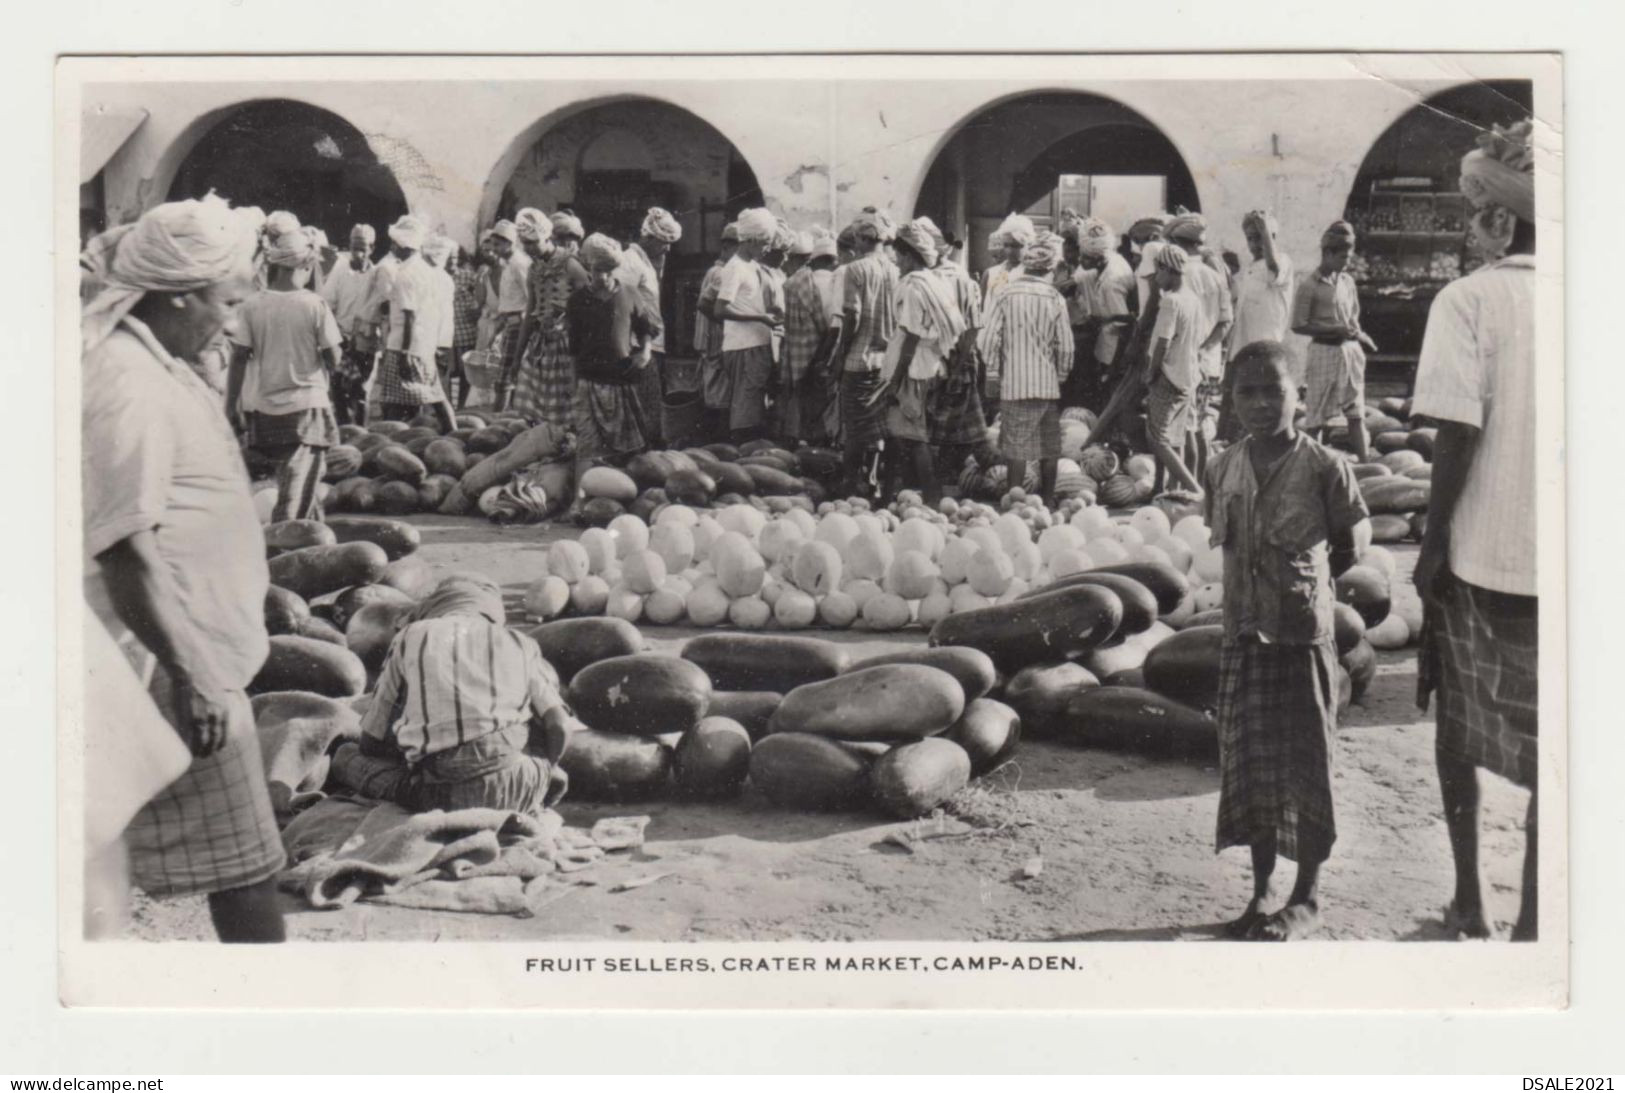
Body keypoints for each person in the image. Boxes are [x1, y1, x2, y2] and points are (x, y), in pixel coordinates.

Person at [80, 194, 286, 942]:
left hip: (181, 654)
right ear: (178, 294)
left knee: (95, 867)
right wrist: (195, 673)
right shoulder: (126, 381)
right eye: (226, 301)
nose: (232, 320)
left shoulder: (152, 361)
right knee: (248, 868)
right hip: (172, 663)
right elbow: (123, 543)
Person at [1412, 121, 1539, 942]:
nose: (1467, 226)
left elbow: (1455, 435)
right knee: (1559, 750)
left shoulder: (1467, 298)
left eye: (1472, 212)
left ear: (1500, 221)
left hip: (1480, 558)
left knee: (1459, 727)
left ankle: (1470, 901)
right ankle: (1534, 917)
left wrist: (1428, 552)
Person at [1204, 339, 1370, 941]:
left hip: (1301, 639)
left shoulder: (1326, 467)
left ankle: (1307, 898)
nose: (1259, 403)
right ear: (1230, 400)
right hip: (1242, 636)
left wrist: (1309, 591)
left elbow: (1349, 545)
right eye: (1246, 392)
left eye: (1273, 389)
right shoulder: (1221, 467)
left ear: (1298, 396)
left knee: (1306, 764)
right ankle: (1260, 893)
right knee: (1250, 766)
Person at [329, 575, 580, 814]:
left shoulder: (413, 635)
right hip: (527, 783)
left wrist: (405, 741)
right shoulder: (520, 641)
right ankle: (539, 782)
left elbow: (371, 741)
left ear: (438, 603)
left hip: (449, 795)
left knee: (346, 757)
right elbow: (559, 725)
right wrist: (549, 766)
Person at [225, 210, 343, 522]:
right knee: (296, 494)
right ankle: (283, 552)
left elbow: (238, 357)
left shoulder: (252, 305)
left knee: (296, 485)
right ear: (305, 264)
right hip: (307, 409)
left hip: (266, 410)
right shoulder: (313, 305)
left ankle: (314, 549)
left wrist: (231, 404)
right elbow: (334, 358)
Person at [977, 230, 1073, 506]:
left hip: (1014, 384)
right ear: (1050, 269)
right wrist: (1061, 375)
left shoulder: (1005, 294)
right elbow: (1065, 345)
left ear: (1026, 265)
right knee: (1048, 447)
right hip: (1047, 385)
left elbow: (988, 337)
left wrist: (994, 372)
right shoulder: (1055, 298)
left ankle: (1016, 500)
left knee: (1016, 446)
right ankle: (1047, 499)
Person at [566, 233, 664, 501]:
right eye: (597, 270)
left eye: (609, 270)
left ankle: (622, 500)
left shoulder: (630, 294)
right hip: (588, 382)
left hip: (622, 380)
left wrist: (644, 351)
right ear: (588, 267)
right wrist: (574, 386)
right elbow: (573, 349)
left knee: (626, 447)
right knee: (587, 446)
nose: (603, 277)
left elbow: (647, 328)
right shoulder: (577, 301)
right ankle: (578, 500)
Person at [881, 220, 966, 504]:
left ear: (908, 255)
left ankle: (931, 499)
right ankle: (889, 495)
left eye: (898, 256)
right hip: (927, 366)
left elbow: (911, 337)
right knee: (899, 433)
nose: (896, 262)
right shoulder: (933, 281)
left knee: (914, 437)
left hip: (912, 370)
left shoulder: (913, 287)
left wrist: (894, 382)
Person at [1292, 221, 1378, 461]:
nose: (1346, 263)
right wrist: (1334, 330)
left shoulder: (1347, 282)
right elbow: (1298, 324)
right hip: (1323, 352)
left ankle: (1365, 462)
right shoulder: (1309, 286)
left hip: (1349, 355)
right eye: (1342, 257)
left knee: (1356, 412)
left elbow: (1353, 319)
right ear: (1328, 254)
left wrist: (1359, 336)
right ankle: (1307, 464)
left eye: (1349, 258)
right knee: (1316, 416)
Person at [829, 208, 900, 497]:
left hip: (859, 359)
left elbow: (852, 316)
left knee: (855, 430)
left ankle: (851, 486)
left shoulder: (855, 270)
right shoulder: (896, 270)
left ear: (860, 239)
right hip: (887, 360)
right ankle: (875, 482)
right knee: (879, 426)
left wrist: (838, 355)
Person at [1164, 213, 1234, 482]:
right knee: (1200, 424)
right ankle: (1204, 482)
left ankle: (1186, 486)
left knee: (1183, 429)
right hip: (1209, 363)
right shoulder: (1214, 276)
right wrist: (1206, 349)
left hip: (1184, 362)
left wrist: (1192, 351)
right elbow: (1226, 322)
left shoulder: (1180, 273)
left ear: (1175, 243)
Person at [372, 215, 454, 431]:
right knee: (435, 395)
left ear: (404, 246)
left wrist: (404, 353)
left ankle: (389, 442)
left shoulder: (405, 274)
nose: (392, 248)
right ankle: (453, 431)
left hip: (403, 346)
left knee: (395, 403)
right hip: (423, 346)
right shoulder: (426, 271)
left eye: (394, 244)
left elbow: (410, 316)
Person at [1220, 210, 1296, 440]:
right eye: (1251, 238)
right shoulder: (1250, 268)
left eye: (1261, 237)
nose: (1256, 243)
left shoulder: (1282, 261)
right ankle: (1225, 444)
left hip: (1264, 347)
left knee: (1256, 402)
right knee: (1231, 399)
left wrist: (1265, 233)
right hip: (1241, 346)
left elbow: (1274, 268)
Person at [916, 216, 989, 455]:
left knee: (928, 430)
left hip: (932, 360)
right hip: (958, 358)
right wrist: (960, 365)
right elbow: (973, 326)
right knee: (955, 432)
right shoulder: (962, 276)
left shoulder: (929, 278)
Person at [507, 208, 581, 428]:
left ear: (547, 237)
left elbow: (589, 304)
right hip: (541, 343)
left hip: (567, 345)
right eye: (525, 243)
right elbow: (530, 312)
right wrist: (517, 356)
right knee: (537, 404)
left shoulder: (570, 264)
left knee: (566, 403)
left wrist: (567, 319)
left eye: (533, 242)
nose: (529, 248)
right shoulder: (534, 268)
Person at [713, 208, 780, 445]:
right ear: (750, 240)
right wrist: (760, 318)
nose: (767, 249)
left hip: (756, 344)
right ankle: (742, 451)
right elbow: (720, 309)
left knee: (753, 404)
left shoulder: (751, 265)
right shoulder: (735, 268)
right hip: (744, 346)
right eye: (764, 243)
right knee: (746, 406)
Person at [619, 206, 683, 447]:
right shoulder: (630, 262)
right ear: (647, 238)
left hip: (651, 342)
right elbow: (624, 305)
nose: (666, 248)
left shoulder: (646, 262)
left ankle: (646, 447)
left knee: (650, 400)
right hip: (639, 344)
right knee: (645, 400)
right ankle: (643, 450)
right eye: (662, 242)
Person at [1142, 245, 1204, 493]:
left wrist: (1151, 371)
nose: (1157, 278)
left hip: (1168, 375)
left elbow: (1163, 342)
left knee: (1157, 439)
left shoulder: (1171, 301)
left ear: (1169, 270)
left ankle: (1193, 490)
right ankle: (1173, 490)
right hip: (1188, 375)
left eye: (1159, 272)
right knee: (1176, 436)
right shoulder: (1193, 300)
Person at [778, 227, 839, 444]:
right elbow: (836, 324)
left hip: (801, 354)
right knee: (828, 405)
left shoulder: (796, 282)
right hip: (832, 352)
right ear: (834, 260)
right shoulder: (837, 282)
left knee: (804, 404)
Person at [1074, 216, 1137, 414]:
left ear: (1098, 258)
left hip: (1113, 354)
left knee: (1113, 402)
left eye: (1084, 257)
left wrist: (1113, 368)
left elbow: (1125, 327)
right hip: (1107, 346)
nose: (1080, 260)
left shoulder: (1111, 283)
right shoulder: (1111, 260)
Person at [320, 223, 379, 424]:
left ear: (371, 248)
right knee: (337, 389)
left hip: (365, 343)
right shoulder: (340, 270)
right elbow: (327, 305)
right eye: (354, 248)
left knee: (361, 391)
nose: (358, 254)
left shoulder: (377, 274)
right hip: (341, 340)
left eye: (363, 249)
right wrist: (337, 337)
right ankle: (344, 430)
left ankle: (361, 433)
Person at [695, 222, 739, 439]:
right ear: (727, 247)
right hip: (716, 343)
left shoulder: (715, 270)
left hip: (709, 343)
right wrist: (727, 322)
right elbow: (705, 305)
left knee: (713, 395)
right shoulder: (722, 273)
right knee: (719, 400)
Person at [489, 218, 531, 409]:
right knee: (505, 375)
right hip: (508, 322)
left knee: (505, 377)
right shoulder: (507, 264)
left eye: (498, 245)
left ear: (509, 242)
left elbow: (530, 297)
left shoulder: (519, 264)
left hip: (518, 323)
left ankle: (498, 418)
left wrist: (523, 326)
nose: (494, 249)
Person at [422, 234, 460, 410]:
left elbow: (443, 316)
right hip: (430, 340)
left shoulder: (441, 279)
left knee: (435, 390)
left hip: (436, 341)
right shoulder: (433, 276)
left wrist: (440, 346)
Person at [450, 240, 486, 409]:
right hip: (446, 333)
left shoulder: (465, 275)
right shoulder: (436, 276)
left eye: (454, 257)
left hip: (465, 330)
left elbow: (482, 286)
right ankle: (449, 405)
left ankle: (461, 407)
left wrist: (478, 308)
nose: (451, 261)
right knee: (449, 372)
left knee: (466, 373)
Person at [981, 213, 1033, 305]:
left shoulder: (1034, 275)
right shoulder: (991, 274)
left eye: (1015, 246)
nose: (1009, 251)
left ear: (1028, 245)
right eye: (1006, 245)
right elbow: (983, 309)